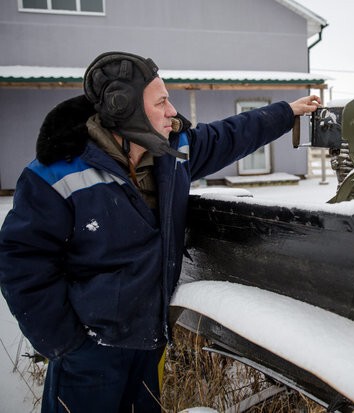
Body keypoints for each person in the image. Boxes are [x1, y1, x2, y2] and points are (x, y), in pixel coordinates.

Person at [0, 51, 320, 413]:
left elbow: (230, 136)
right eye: (162, 101)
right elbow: (21, 264)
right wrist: (66, 344)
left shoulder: (172, 156)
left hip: (149, 344)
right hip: (88, 357)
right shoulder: (55, 174)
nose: (172, 111)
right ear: (125, 109)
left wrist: (286, 112)